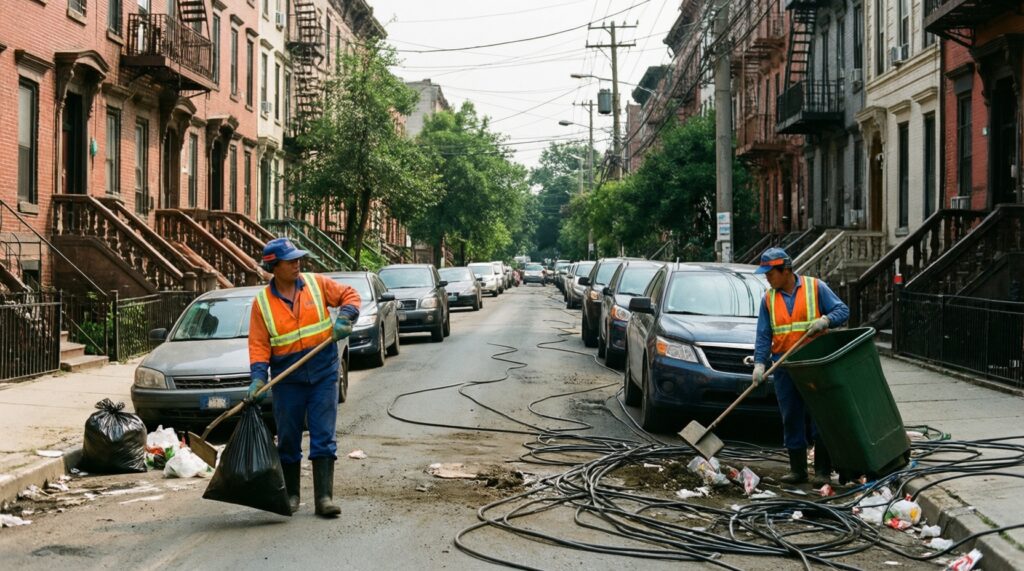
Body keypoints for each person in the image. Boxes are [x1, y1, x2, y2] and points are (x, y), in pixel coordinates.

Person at [248, 238, 361, 517]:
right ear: (274, 266)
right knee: (288, 438)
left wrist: (345, 317)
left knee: (323, 435)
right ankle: (292, 495)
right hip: (288, 380)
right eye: (290, 261)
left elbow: (350, 295)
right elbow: (259, 345)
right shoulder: (262, 303)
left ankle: (324, 498)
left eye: (299, 258)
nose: (298, 263)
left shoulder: (316, 283)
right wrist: (258, 378)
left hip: (323, 372)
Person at [752, 247, 849, 485]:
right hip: (785, 367)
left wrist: (826, 319)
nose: (767, 277)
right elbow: (764, 335)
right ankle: (798, 470)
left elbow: (843, 310)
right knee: (791, 416)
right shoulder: (768, 299)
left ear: (785, 270)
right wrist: (759, 364)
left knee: (820, 416)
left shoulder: (815, 288)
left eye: (770, 272)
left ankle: (822, 471)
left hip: (815, 364)